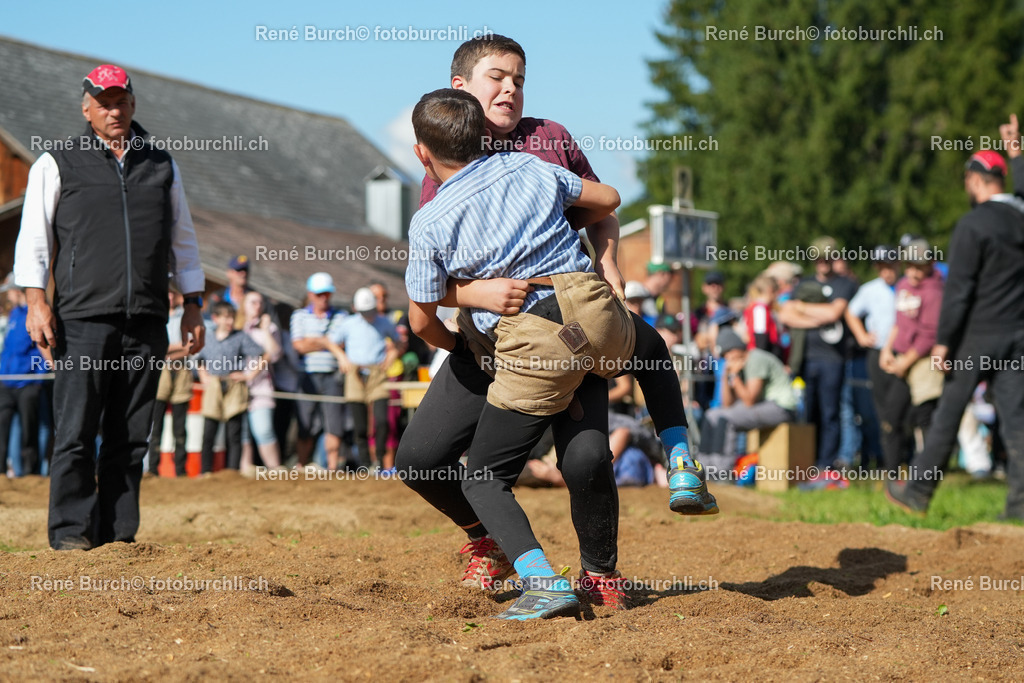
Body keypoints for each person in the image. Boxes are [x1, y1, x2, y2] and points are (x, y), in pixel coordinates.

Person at [398, 45, 713, 617]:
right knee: (421, 458)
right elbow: (432, 286)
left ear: (423, 152)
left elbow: (604, 209)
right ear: (461, 88)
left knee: (578, 460)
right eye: (497, 77)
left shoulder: (546, 141)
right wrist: (475, 294)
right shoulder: (491, 174)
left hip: (552, 324)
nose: (510, 89)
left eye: (519, 79)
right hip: (510, 330)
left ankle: (593, 574)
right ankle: (677, 460)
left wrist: (606, 262)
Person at [14, 64, 205, 550]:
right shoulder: (57, 162)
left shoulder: (161, 164)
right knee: (75, 431)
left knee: (132, 435)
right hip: (81, 319)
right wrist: (36, 302)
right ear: (87, 109)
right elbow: (34, 238)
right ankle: (71, 534)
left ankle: (118, 536)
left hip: (146, 319)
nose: (113, 111)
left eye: (121, 101)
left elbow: (183, 240)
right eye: (103, 103)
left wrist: (193, 304)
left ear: (133, 104)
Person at [887, 149, 1024, 518]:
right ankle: (1020, 505)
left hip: (977, 337)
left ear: (975, 181)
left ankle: (917, 492)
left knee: (947, 414)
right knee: (1017, 420)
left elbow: (958, 290)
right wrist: (1017, 157)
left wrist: (944, 341)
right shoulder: (1020, 219)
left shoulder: (972, 225)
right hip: (1017, 337)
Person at [778, 237, 858, 471]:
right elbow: (785, 315)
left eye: (826, 257)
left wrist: (802, 308)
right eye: (818, 258)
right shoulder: (804, 284)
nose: (822, 262)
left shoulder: (844, 283)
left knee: (830, 413)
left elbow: (834, 313)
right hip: (805, 358)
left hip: (833, 359)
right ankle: (809, 462)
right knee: (808, 412)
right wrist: (817, 318)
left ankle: (826, 464)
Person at [877, 241, 944, 475]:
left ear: (930, 264)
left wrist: (905, 363)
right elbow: (898, 323)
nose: (913, 272)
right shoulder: (903, 285)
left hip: (923, 361)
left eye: (919, 267)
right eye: (909, 266)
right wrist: (887, 350)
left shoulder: (935, 291)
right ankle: (893, 474)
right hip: (901, 357)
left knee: (925, 418)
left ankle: (930, 474)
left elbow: (929, 335)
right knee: (891, 418)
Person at [697, 328, 797, 478]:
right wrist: (725, 374)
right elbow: (727, 404)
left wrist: (734, 376)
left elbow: (750, 400)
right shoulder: (738, 364)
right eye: (724, 356)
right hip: (763, 405)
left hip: (782, 407)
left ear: (737, 347)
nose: (728, 358)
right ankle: (704, 466)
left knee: (726, 419)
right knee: (711, 414)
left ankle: (721, 471)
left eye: (729, 352)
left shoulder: (756, 358)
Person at [330, 287, 401, 471]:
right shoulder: (348, 324)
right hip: (355, 373)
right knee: (360, 426)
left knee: (382, 421)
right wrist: (342, 357)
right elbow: (332, 342)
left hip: (377, 374)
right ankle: (365, 463)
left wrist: (391, 356)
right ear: (356, 309)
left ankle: (380, 460)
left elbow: (398, 342)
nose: (368, 315)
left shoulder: (384, 322)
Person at [845, 246, 899, 471]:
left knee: (902, 406)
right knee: (880, 406)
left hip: (903, 353)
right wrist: (862, 336)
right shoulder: (870, 290)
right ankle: (885, 458)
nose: (886, 272)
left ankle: (904, 456)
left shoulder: (906, 287)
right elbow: (851, 312)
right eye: (882, 267)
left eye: (890, 266)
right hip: (877, 353)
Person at [196, 302, 266, 472]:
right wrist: (203, 375)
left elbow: (264, 355)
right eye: (226, 317)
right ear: (215, 318)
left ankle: (232, 472)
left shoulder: (240, 337)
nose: (230, 321)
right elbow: (199, 359)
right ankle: (205, 472)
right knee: (208, 432)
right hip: (214, 385)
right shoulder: (208, 337)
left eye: (232, 318)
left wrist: (249, 376)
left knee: (234, 433)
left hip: (234, 386)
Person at [290, 273, 347, 470]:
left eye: (327, 294)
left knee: (334, 424)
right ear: (311, 294)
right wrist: (327, 343)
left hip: (333, 377)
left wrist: (313, 341)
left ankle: (332, 468)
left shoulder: (341, 316)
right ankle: (301, 465)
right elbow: (298, 346)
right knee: (304, 423)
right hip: (307, 376)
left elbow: (341, 342)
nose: (324, 298)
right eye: (319, 294)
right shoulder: (299, 315)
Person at [0, 279, 48, 476]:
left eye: (9, 291)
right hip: (6, 382)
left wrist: (37, 380)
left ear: (17, 290)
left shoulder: (34, 314)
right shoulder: (14, 314)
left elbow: (43, 349)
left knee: (30, 430)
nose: (7, 295)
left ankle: (31, 473)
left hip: (28, 384)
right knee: (2, 428)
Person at [147, 291, 193, 477]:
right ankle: (152, 469)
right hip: (161, 372)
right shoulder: (154, 315)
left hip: (182, 372)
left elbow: (191, 346)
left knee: (180, 427)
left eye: (173, 294)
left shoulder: (187, 316)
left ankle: (181, 470)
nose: (170, 298)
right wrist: (180, 347)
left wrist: (166, 352)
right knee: (156, 425)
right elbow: (154, 346)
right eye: (167, 294)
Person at [240, 291, 283, 472]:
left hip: (261, 388)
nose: (257, 306)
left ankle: (274, 468)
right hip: (238, 387)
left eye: (260, 302)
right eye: (252, 302)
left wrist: (265, 330)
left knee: (263, 430)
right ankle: (245, 470)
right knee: (242, 433)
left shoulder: (269, 328)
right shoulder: (238, 327)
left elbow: (275, 354)